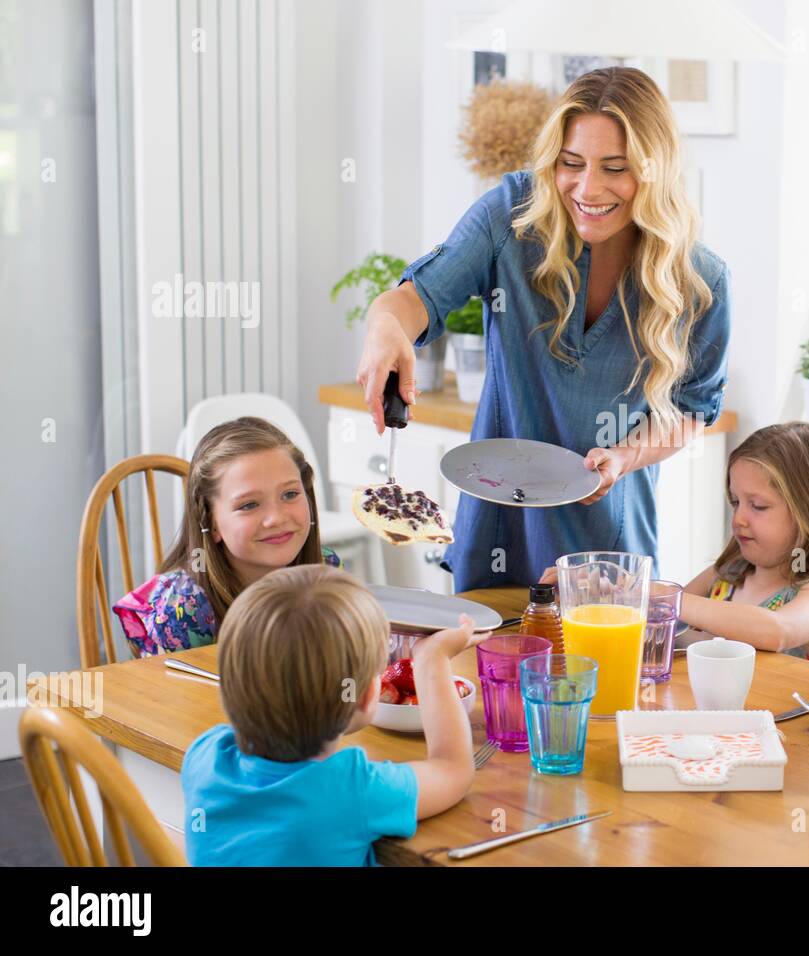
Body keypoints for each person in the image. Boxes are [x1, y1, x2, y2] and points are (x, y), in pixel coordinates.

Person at [354, 67, 730, 590]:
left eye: (615, 168)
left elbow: (693, 409)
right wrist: (385, 324)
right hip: (498, 530)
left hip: (610, 546)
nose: (588, 187)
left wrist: (624, 456)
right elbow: (417, 298)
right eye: (571, 163)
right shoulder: (511, 218)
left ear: (655, 170)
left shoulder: (700, 281)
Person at [181, 565, 485, 866]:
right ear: (367, 696)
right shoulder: (351, 789)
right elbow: (453, 769)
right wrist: (433, 659)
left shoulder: (204, 755)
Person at [112, 417, 339, 655]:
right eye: (249, 505)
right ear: (212, 523)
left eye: (290, 494)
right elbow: (171, 692)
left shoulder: (327, 568)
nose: (276, 518)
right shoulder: (183, 608)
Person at [677, 422, 809, 673]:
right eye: (735, 501)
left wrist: (670, 601)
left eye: (758, 506)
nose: (738, 518)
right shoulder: (726, 574)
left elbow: (777, 631)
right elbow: (670, 628)